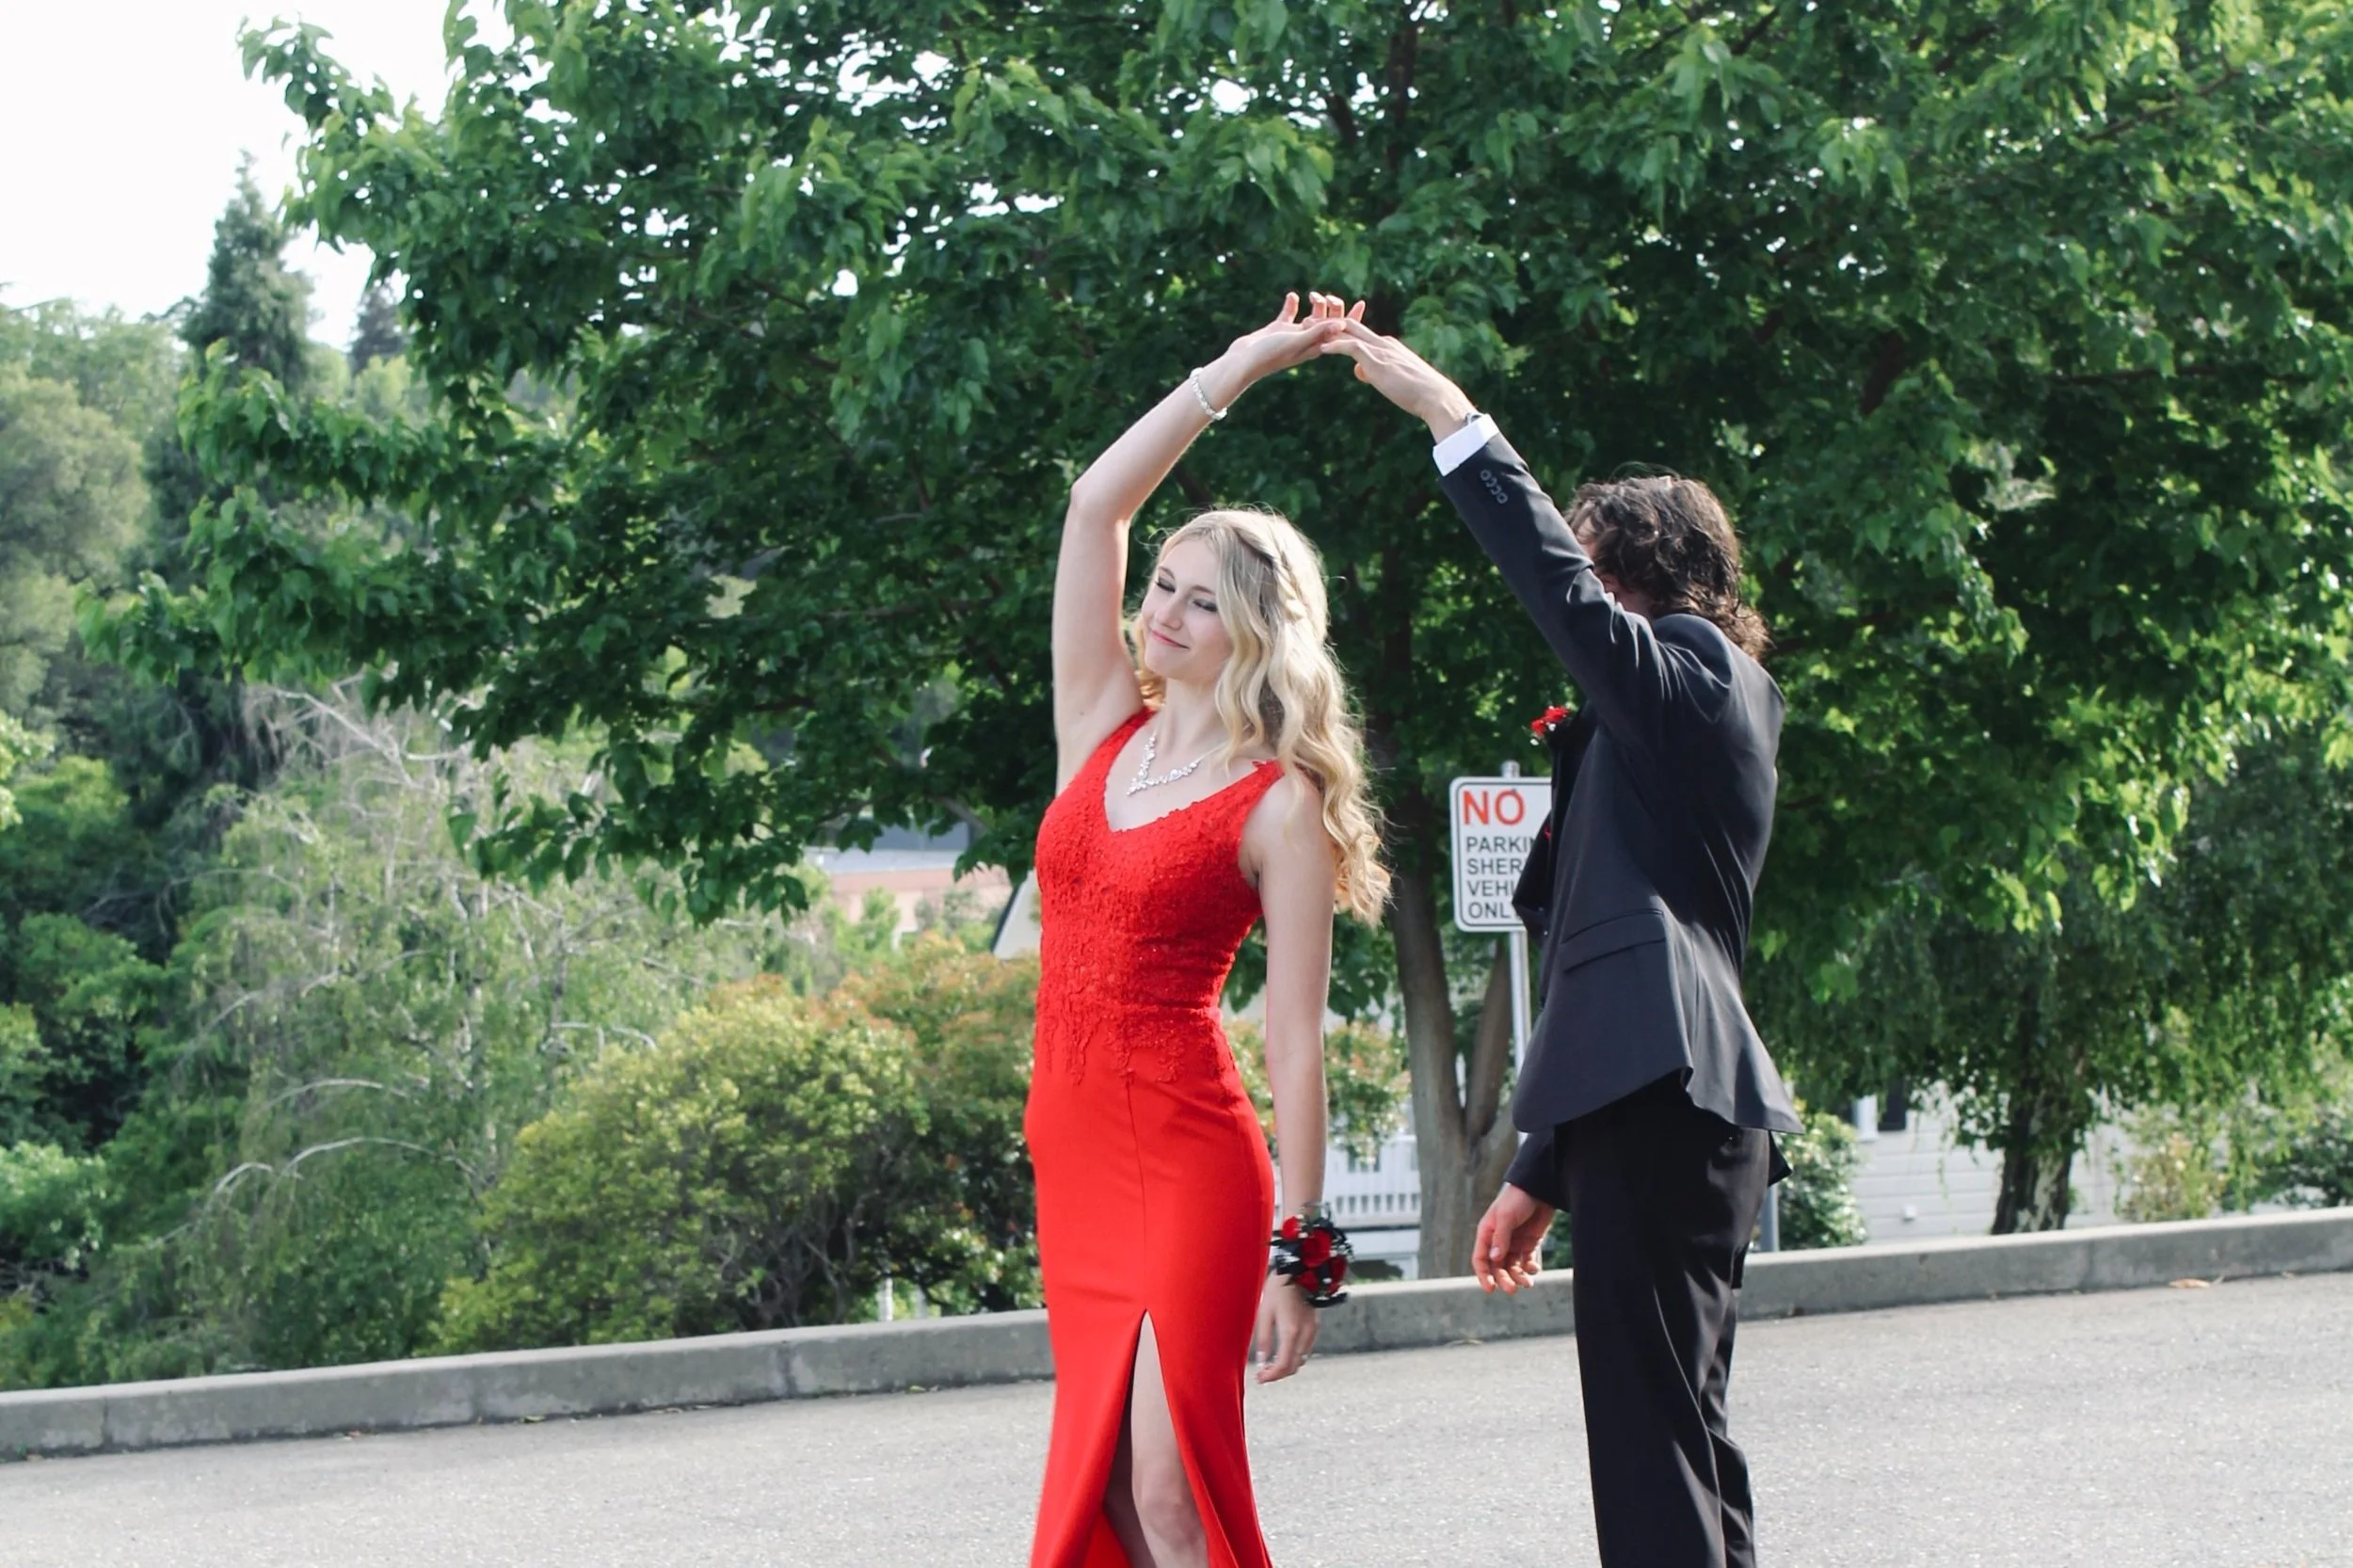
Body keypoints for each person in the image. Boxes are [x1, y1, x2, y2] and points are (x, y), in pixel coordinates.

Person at [1319, 297, 1801, 1568]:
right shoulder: (1682, 713)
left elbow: (1557, 594)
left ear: (1637, 569)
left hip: (1666, 1102)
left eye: (1590, 563)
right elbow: (1608, 947)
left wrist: (1447, 413)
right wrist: (1540, 1163)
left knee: (1651, 1448)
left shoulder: (1698, 678)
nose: (1575, 587)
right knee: (1683, 1435)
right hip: (1659, 1102)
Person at [1027, 294, 1390, 1568]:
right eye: (1162, 589)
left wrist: (1306, 1248)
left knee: (1171, 1492)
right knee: (1112, 1500)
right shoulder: (1100, 728)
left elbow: (1295, 1043)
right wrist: (1234, 369)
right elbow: (1093, 508)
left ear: (1254, 634)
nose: (1162, 616)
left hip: (1189, 1159)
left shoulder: (1279, 805)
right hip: (1070, 1156)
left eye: (1197, 603)